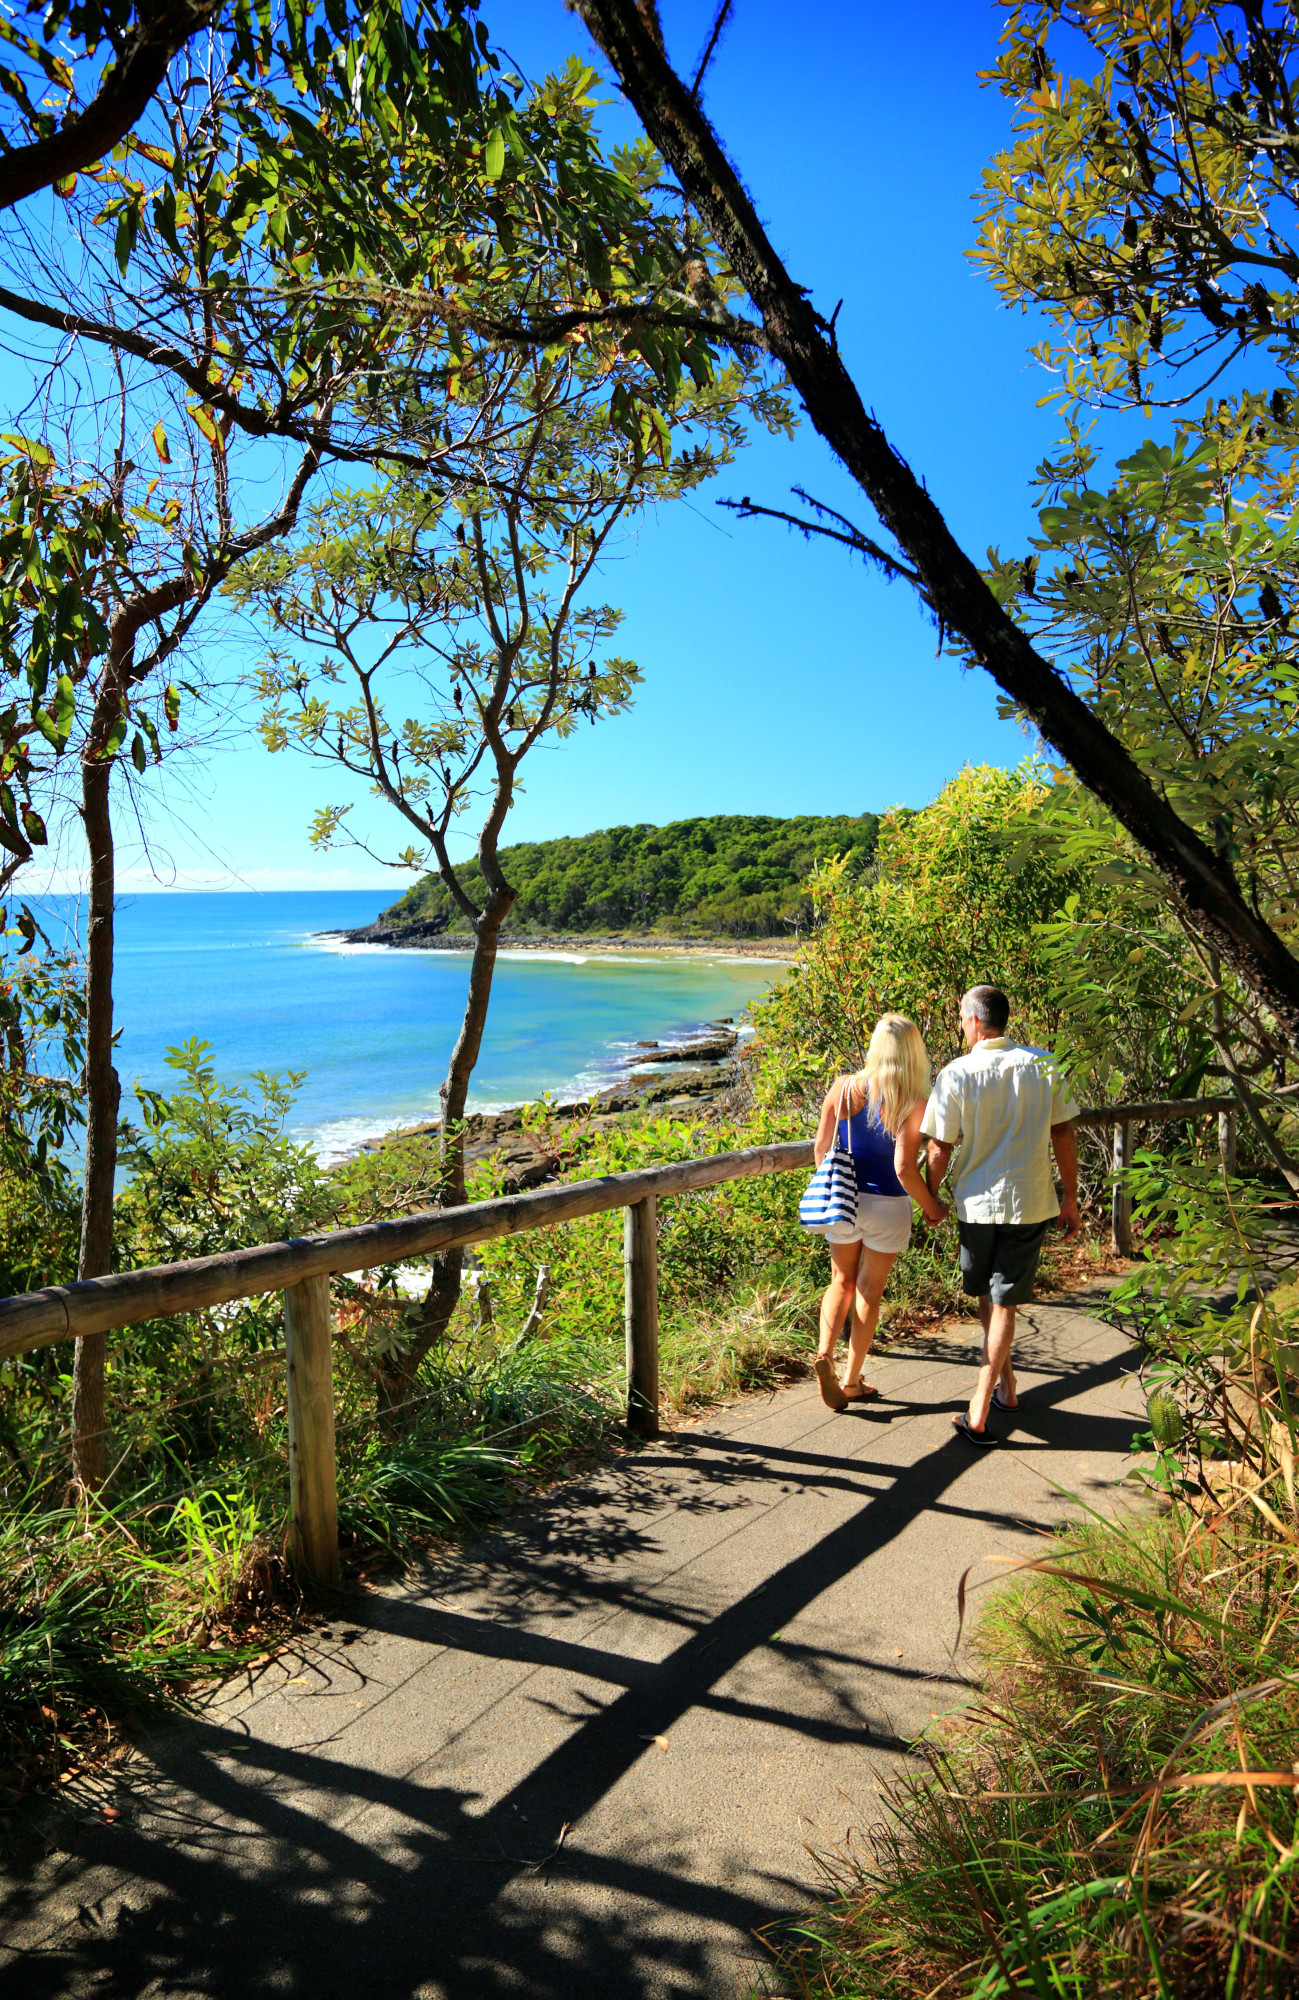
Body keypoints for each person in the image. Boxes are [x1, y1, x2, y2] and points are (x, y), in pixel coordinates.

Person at [921, 985, 1080, 1446]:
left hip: (976, 1203)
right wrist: (1069, 1197)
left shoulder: (956, 1073)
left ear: (973, 1020)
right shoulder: (1043, 1064)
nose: (958, 1027)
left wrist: (931, 1198)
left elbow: (939, 1146)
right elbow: (1063, 1133)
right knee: (996, 1297)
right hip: (1030, 1200)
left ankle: (977, 1409)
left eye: (959, 1019)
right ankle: (1007, 1389)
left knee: (998, 1300)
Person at [811, 1013, 948, 1411]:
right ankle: (851, 1380)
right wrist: (932, 1207)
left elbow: (821, 1150)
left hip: (844, 1201)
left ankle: (824, 1354)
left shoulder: (843, 1087)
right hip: (887, 1205)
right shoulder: (913, 1099)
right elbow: (904, 1168)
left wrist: (836, 1187)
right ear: (913, 1051)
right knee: (869, 1291)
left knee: (840, 1281)